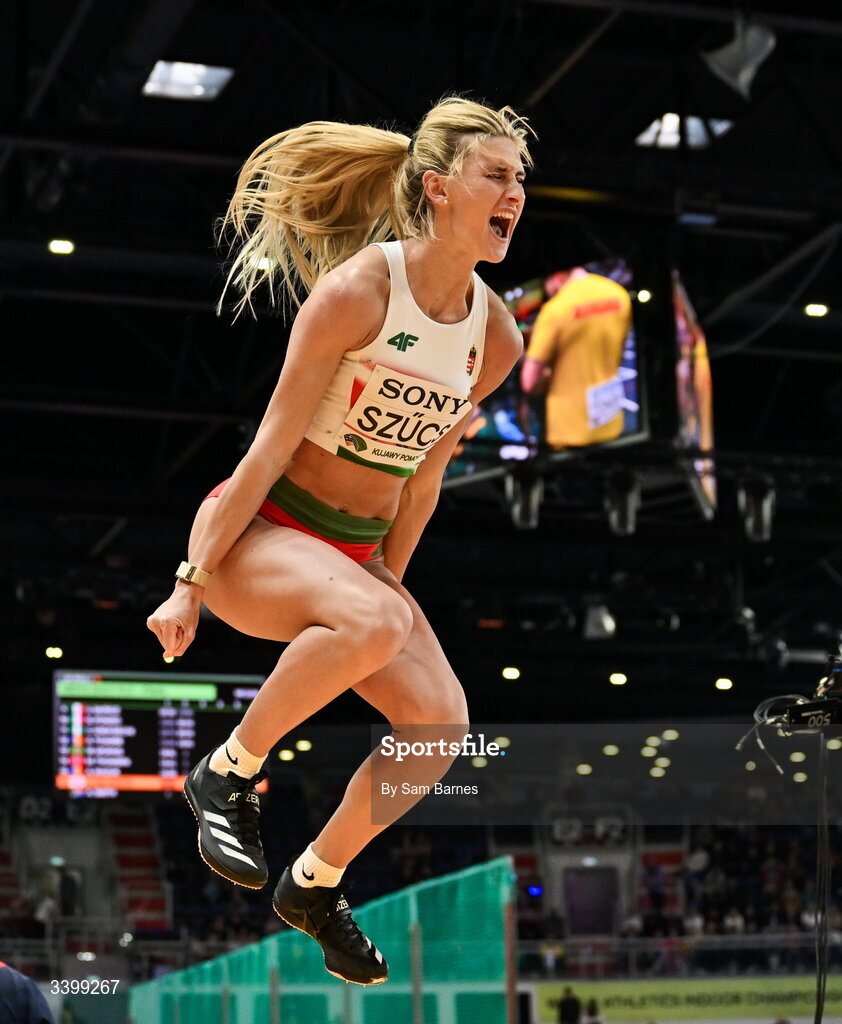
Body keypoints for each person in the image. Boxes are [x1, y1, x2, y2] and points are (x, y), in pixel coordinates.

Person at [146, 96, 533, 986]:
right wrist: (190, 581)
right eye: (498, 176)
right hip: (264, 540)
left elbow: (423, 476)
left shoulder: (498, 337)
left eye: (521, 180)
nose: (516, 194)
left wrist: (392, 576)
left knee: (441, 725)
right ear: (438, 189)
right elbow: (266, 448)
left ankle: (314, 882)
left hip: (354, 562)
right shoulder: (359, 290)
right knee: (372, 623)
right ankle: (227, 772)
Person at [520, 266, 631, 449]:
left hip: (570, 432)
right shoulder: (618, 294)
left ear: (557, 277)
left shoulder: (556, 309)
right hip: (612, 421)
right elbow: (622, 350)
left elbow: (529, 382)